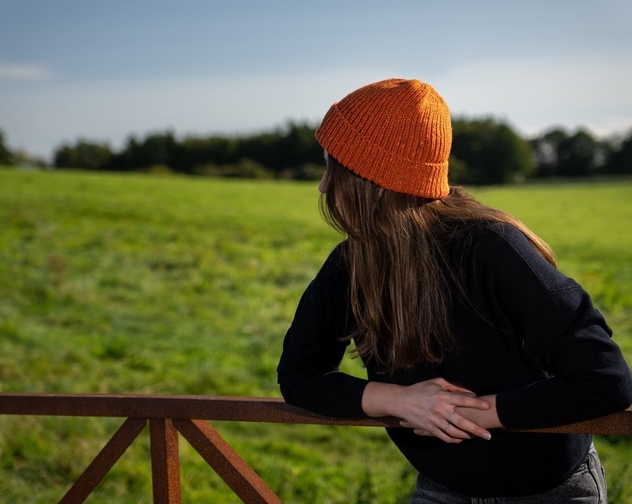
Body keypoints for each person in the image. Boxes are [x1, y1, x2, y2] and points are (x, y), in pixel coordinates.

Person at [276, 78, 632, 503]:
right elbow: (298, 377)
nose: (322, 186)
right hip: (442, 490)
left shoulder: (492, 248)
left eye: (332, 168)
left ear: (372, 180)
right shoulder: (350, 265)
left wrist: (469, 412)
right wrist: (401, 400)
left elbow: (606, 379)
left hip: (553, 491)